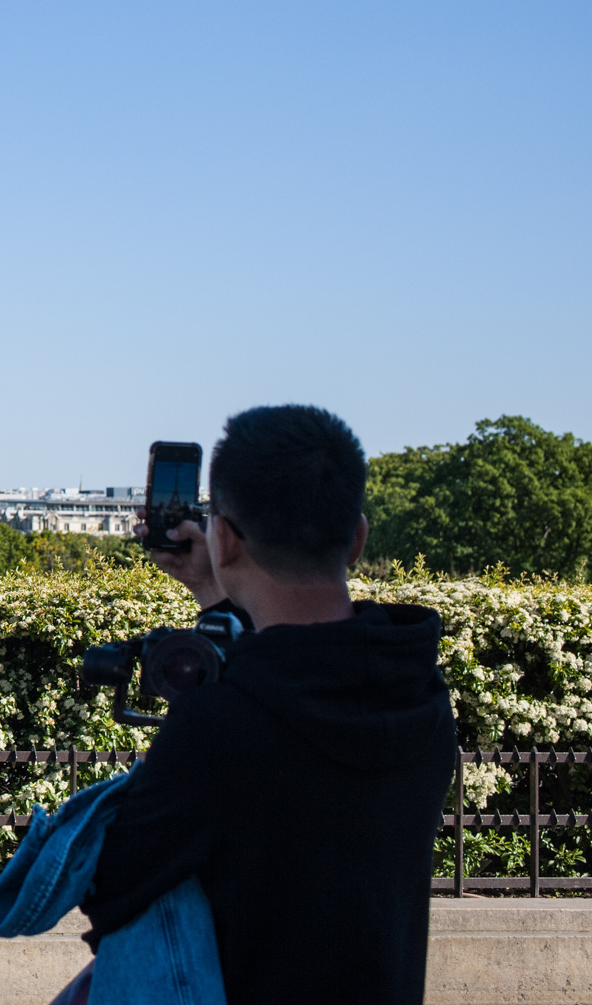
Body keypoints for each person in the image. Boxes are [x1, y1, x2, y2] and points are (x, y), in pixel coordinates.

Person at [84, 405, 456, 1004]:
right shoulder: (422, 701)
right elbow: (305, 673)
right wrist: (214, 588)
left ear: (224, 537)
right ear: (356, 537)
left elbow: (111, 886)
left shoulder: (220, 725)